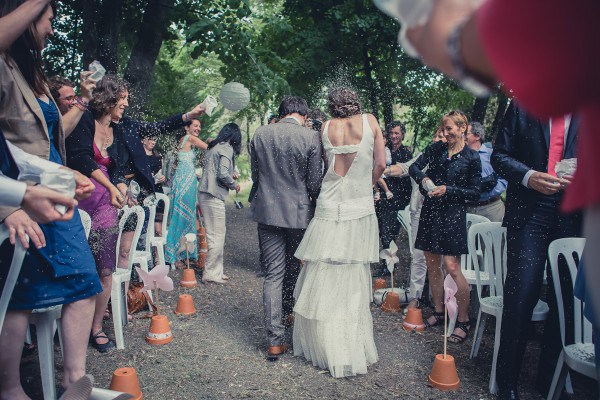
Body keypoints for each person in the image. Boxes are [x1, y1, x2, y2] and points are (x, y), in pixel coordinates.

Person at [0, 2, 102, 396]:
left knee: (83, 280)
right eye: (48, 20)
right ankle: (11, 389)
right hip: (22, 192)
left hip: (50, 184)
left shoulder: (31, 73)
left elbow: (43, 140)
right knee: (19, 292)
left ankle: (74, 383)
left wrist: (63, 175)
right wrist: (10, 203)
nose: (52, 30)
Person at [491, 103, 581, 398]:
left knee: (564, 299)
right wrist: (529, 176)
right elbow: (499, 157)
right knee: (521, 294)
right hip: (530, 210)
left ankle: (550, 380)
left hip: (573, 212)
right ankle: (508, 383)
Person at [293, 87, 385, 377]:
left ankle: (323, 346)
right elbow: (381, 163)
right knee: (352, 274)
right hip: (359, 206)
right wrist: (369, 184)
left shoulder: (326, 128)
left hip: (329, 205)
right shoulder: (370, 121)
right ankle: (347, 346)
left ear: (332, 107)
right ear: (356, 102)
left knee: (323, 271)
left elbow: (324, 167)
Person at [249, 95, 323, 358]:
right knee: (293, 266)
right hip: (298, 214)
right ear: (303, 114)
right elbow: (315, 183)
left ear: (282, 113)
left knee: (273, 274)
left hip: (267, 211)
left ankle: (273, 339)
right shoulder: (310, 137)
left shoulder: (260, 134)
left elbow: (255, 175)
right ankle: (288, 313)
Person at [408, 110, 481, 343]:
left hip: (452, 214)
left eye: (450, 128)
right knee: (432, 263)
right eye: (444, 128)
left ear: (463, 128)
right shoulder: (436, 149)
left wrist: (449, 189)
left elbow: (475, 192)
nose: (446, 133)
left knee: (451, 265)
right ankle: (439, 312)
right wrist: (424, 181)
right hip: (430, 212)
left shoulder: (472, 157)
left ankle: (464, 320)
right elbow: (414, 168)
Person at [406, 127, 446, 309]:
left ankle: (439, 302)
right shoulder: (426, 154)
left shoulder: (451, 158)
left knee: (441, 259)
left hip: (441, 213)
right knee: (419, 256)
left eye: (441, 136)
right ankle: (415, 297)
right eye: (435, 135)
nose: (437, 139)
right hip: (419, 211)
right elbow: (407, 167)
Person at [197, 123, 242, 283]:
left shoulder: (214, 146)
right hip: (213, 195)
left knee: (214, 233)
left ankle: (217, 270)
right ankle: (210, 273)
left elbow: (216, 169)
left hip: (204, 193)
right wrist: (234, 184)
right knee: (217, 235)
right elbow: (222, 174)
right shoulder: (227, 148)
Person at [165, 118, 208, 267]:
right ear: (186, 128)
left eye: (199, 126)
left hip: (185, 182)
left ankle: (185, 255)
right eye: (195, 125)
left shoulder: (183, 140)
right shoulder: (189, 138)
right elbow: (208, 147)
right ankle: (176, 255)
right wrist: (216, 142)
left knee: (185, 217)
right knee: (181, 217)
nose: (198, 128)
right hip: (185, 184)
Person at [373, 121, 412, 276]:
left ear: (402, 134)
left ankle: (390, 265)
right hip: (383, 198)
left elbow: (406, 179)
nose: (394, 136)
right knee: (383, 232)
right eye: (391, 133)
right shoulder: (384, 151)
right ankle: (386, 263)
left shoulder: (406, 154)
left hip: (397, 200)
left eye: (397, 133)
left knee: (390, 233)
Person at [465, 121, 506, 222]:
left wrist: (485, 191)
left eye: (466, 133)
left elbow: (504, 178)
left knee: (493, 237)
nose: (463, 136)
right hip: (467, 208)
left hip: (491, 207)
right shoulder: (460, 156)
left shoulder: (493, 154)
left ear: (477, 136)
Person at [142, 136, 166, 235]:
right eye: (150, 139)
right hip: (144, 192)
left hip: (157, 191)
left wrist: (163, 178)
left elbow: (160, 173)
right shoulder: (137, 157)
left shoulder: (158, 156)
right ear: (143, 140)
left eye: (155, 140)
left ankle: (157, 250)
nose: (153, 142)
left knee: (158, 228)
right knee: (145, 226)